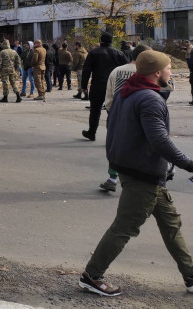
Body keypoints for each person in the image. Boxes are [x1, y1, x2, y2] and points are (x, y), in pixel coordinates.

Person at [79, 50, 193, 298]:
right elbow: (159, 140)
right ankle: (92, 276)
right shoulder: (150, 99)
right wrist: (188, 163)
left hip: (136, 170)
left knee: (171, 224)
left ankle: (190, 275)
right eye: (169, 68)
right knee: (124, 228)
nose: (171, 72)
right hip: (142, 175)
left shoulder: (126, 90)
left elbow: (115, 128)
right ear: (157, 72)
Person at [97, 44, 151, 192]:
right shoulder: (149, 72)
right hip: (143, 115)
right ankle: (139, 179)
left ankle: (112, 178)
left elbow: (108, 96)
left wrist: (111, 111)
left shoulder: (117, 71)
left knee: (116, 146)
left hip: (117, 114)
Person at [80, 33, 128, 141]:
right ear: (111, 41)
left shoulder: (93, 53)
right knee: (112, 111)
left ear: (100, 40)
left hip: (97, 85)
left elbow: (86, 70)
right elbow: (126, 67)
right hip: (114, 86)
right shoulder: (118, 53)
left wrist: (84, 86)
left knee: (95, 110)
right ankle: (112, 135)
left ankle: (92, 132)